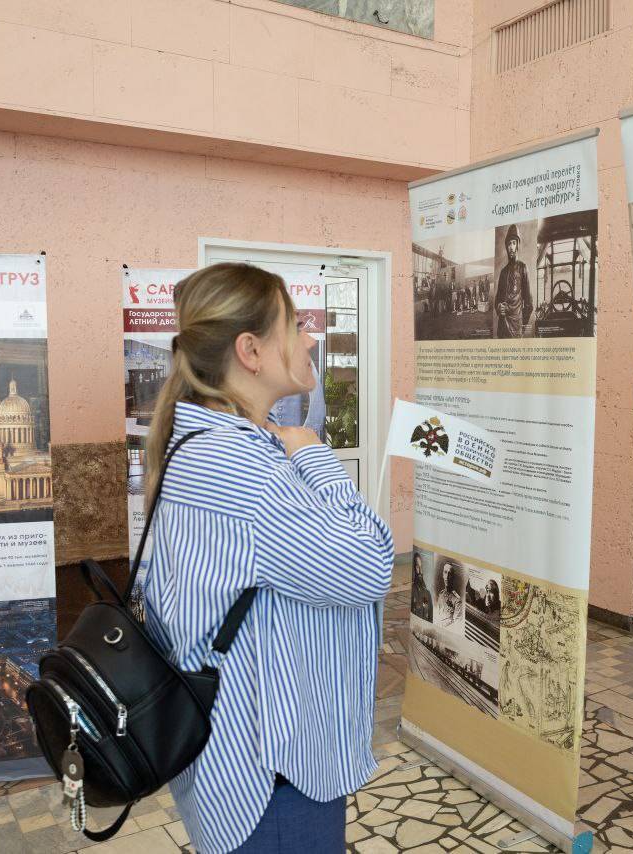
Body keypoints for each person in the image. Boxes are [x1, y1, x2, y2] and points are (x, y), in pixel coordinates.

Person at [141, 263, 393, 854]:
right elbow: (371, 566)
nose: (310, 338)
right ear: (250, 351)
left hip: (242, 760)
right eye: (296, 324)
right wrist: (314, 453)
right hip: (272, 777)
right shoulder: (240, 466)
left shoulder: (210, 441)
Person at [494, 224, 533, 338]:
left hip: (516, 329)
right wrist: (499, 307)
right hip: (502, 329)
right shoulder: (503, 272)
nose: (511, 247)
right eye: (509, 244)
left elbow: (529, 304)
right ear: (506, 246)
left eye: (514, 243)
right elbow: (497, 299)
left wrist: (521, 326)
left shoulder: (523, 268)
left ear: (517, 245)